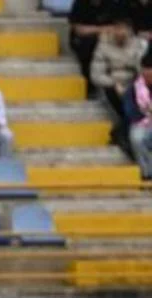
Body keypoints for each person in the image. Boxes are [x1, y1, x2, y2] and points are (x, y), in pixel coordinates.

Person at [89, 18, 146, 143]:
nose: (120, 32)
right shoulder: (103, 46)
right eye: (117, 28)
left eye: (123, 29)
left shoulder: (138, 45)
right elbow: (96, 75)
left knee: (136, 95)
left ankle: (120, 132)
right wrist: (114, 83)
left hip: (133, 83)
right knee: (124, 100)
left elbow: (142, 70)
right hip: (111, 83)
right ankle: (124, 133)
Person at [69, 0, 122, 88]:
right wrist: (102, 29)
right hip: (82, 40)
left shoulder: (111, 4)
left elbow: (117, 27)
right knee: (87, 45)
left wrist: (94, 29)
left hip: (107, 38)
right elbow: (79, 30)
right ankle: (89, 84)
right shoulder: (79, 3)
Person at [125, 51, 152, 180]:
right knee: (137, 138)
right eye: (146, 69)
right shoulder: (133, 88)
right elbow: (130, 109)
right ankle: (146, 172)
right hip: (142, 121)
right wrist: (146, 113)